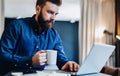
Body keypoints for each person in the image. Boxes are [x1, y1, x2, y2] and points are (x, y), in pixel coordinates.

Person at [0, 0, 79, 75]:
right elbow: (2, 56)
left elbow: (61, 58)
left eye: (56, 14)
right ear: (38, 9)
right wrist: (30, 60)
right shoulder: (16, 26)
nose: (53, 18)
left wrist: (67, 64)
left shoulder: (54, 35)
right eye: (50, 12)